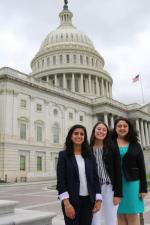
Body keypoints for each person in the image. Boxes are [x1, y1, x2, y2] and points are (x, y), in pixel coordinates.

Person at [57, 124, 102, 225]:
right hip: (71, 201)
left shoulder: (90, 155)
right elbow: (61, 181)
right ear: (71, 136)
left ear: (85, 137)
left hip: (88, 201)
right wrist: (67, 204)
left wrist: (98, 200)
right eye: (76, 133)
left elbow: (95, 179)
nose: (79, 136)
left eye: (82, 134)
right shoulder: (63, 155)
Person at [111, 117, 147, 225]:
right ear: (115, 128)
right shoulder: (110, 143)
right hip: (115, 183)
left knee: (132, 215)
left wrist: (143, 188)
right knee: (119, 214)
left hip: (132, 184)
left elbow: (142, 167)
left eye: (125, 126)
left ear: (129, 128)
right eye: (119, 126)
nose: (122, 128)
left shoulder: (136, 144)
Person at [90, 121, 122, 225]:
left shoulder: (112, 147)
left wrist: (118, 193)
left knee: (111, 220)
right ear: (94, 130)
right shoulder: (87, 149)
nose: (101, 131)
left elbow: (118, 170)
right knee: (94, 220)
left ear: (107, 133)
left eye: (104, 130)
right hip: (94, 189)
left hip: (109, 188)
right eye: (99, 129)